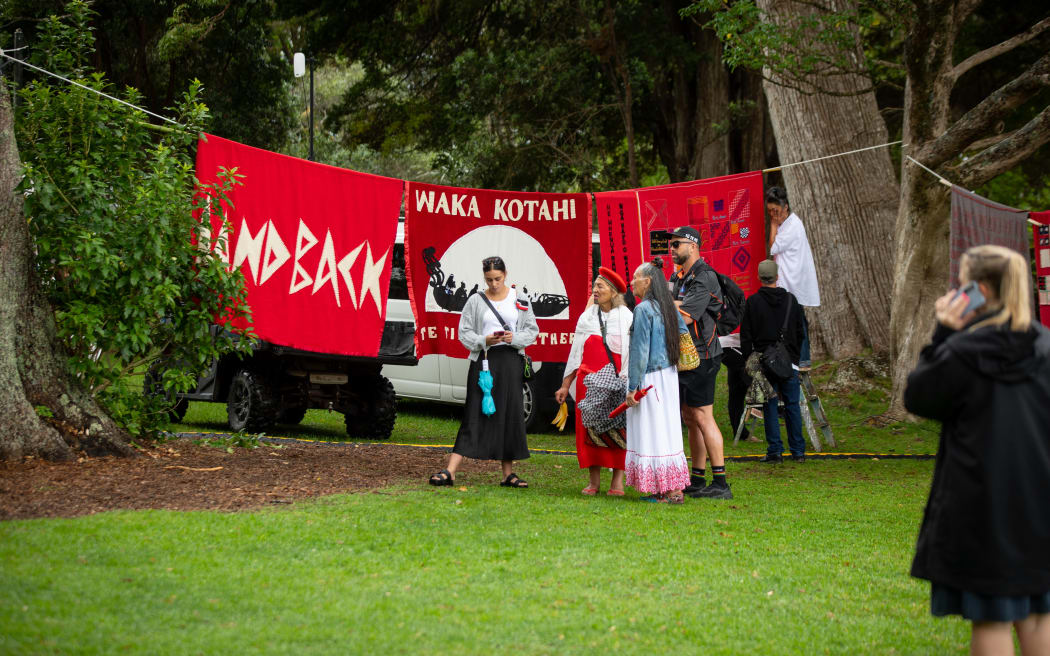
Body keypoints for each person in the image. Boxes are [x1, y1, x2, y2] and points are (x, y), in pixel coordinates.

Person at [904, 245, 1050, 656]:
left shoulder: (964, 351)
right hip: (1039, 494)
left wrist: (944, 332)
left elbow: (919, 398)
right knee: (1037, 611)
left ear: (980, 289)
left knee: (992, 616)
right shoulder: (1045, 347)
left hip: (982, 497)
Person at [428, 256, 539, 488]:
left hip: (510, 361)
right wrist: (483, 339)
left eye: (498, 279)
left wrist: (514, 338)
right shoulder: (476, 300)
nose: (494, 284)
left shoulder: (519, 298)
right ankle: (451, 470)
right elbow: (464, 332)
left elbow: (532, 329)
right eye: (489, 280)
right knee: (474, 412)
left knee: (509, 413)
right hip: (485, 361)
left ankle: (508, 474)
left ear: (505, 274)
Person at [555, 267, 633, 496]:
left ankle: (617, 482)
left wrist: (628, 383)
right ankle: (594, 481)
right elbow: (575, 353)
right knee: (589, 433)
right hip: (588, 386)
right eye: (595, 286)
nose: (595, 290)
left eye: (600, 286)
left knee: (619, 431)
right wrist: (566, 384)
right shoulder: (587, 316)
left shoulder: (627, 317)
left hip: (616, 384)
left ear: (613, 290)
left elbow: (632, 353)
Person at [667, 226, 732, 500]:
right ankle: (697, 478)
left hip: (703, 356)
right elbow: (674, 305)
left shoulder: (704, 277)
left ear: (693, 246)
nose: (672, 249)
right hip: (685, 356)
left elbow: (687, 315)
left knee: (704, 416)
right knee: (690, 417)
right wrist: (675, 303)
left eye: (677, 244)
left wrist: (672, 305)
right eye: (670, 245)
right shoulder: (678, 276)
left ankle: (721, 483)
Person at [624, 257, 691, 504]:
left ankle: (662, 490)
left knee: (652, 431)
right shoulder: (669, 308)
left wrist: (632, 387)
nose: (632, 282)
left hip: (650, 378)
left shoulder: (643, 310)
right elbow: (683, 335)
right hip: (669, 376)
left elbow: (640, 352)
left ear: (648, 281)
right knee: (668, 430)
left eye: (635, 278)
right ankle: (673, 489)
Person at [740, 260, 805, 463]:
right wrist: (794, 356)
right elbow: (801, 332)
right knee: (793, 405)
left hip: (764, 362)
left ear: (759, 277)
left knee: (769, 405)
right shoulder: (791, 301)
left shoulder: (753, 302)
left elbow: (746, 335)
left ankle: (775, 450)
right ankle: (798, 451)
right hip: (789, 361)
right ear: (777, 277)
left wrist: (749, 360)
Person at [765, 186, 819, 369]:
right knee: (794, 319)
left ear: (785, 207)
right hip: (789, 278)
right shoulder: (786, 224)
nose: (773, 215)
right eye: (770, 211)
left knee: (796, 320)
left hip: (793, 281)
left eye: (776, 211)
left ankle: (802, 359)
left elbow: (773, 248)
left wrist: (772, 226)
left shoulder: (792, 226)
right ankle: (797, 358)